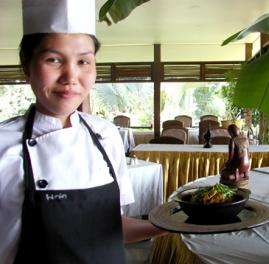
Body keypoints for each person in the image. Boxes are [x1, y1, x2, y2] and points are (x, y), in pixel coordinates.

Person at [0, 1, 165, 263]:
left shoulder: (107, 135)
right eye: (53, 59)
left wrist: (173, 222)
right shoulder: (3, 145)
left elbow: (111, 227)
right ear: (26, 65)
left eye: (83, 61)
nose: (71, 76)